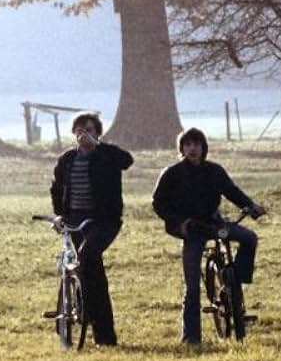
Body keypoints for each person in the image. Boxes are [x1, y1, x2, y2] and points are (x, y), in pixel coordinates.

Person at [152, 127, 265, 345]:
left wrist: (251, 206)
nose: (192, 149)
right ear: (182, 148)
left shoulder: (214, 171)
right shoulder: (172, 173)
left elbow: (232, 192)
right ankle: (191, 337)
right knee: (192, 285)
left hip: (214, 223)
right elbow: (158, 204)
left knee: (249, 238)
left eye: (197, 144)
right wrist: (178, 223)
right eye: (188, 145)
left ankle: (236, 283)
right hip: (191, 229)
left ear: (204, 147)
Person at [50, 111, 133, 346]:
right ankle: (101, 333)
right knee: (90, 272)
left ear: (97, 132)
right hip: (75, 220)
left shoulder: (106, 155)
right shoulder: (67, 159)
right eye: (79, 129)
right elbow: (56, 188)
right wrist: (59, 215)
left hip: (103, 221)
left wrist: (98, 147)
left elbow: (127, 161)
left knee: (87, 255)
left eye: (88, 129)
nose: (83, 134)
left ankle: (92, 318)